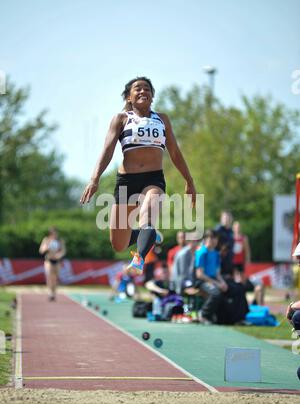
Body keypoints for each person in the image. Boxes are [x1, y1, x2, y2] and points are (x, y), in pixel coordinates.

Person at [80, 77, 197, 275]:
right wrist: (95, 179)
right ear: (129, 97)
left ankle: (139, 257)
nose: (143, 91)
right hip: (127, 182)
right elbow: (107, 150)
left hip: (153, 179)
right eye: (138, 89)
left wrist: (189, 181)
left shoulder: (162, 119)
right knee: (118, 244)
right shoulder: (121, 119)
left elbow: (175, 153)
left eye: (147, 89)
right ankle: (150, 235)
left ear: (152, 96)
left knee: (147, 219)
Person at [194, 230, 228, 324]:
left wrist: (223, 283)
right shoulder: (201, 252)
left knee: (233, 289)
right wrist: (217, 283)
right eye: (210, 238)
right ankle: (203, 314)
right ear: (205, 239)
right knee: (215, 293)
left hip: (213, 280)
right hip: (201, 281)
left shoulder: (216, 254)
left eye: (214, 238)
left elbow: (217, 273)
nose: (212, 240)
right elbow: (199, 274)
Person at [39, 227, 66, 301]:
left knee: (55, 278)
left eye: (56, 232)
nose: (54, 234)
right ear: (50, 233)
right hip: (48, 261)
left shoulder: (60, 241)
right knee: (49, 277)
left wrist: (59, 255)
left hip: (57, 261)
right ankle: (50, 293)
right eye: (53, 233)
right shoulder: (46, 240)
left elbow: (63, 251)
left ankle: (54, 293)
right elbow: (41, 250)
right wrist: (47, 248)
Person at [215, 210, 234, 278]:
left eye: (228, 218)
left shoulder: (231, 231)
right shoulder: (218, 230)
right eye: (225, 218)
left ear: (231, 219)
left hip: (228, 260)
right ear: (221, 219)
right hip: (220, 261)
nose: (226, 220)